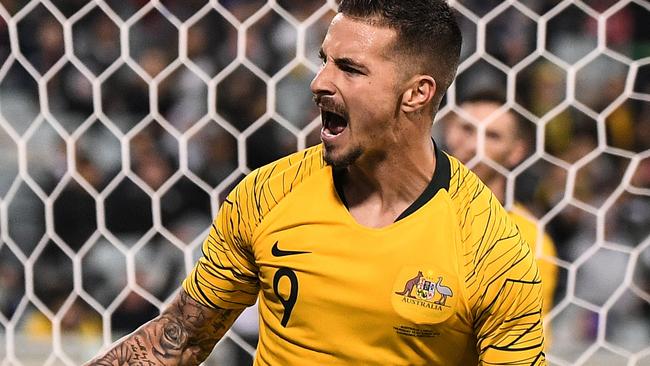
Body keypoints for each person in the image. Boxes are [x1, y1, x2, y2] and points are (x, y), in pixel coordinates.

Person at [85, 1, 545, 365]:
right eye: (324, 60)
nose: (319, 82)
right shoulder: (267, 195)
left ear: (417, 93)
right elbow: (181, 339)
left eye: (350, 68)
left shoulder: (492, 248)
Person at [442, 90, 558, 318]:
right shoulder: (405, 210)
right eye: (467, 129)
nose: (474, 145)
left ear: (517, 151)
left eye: (492, 136)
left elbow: (524, 342)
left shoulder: (530, 239)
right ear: (448, 129)